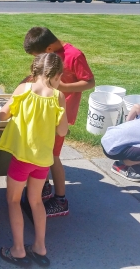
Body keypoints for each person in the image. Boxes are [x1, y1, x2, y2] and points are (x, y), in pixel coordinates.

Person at [0, 53, 68, 267]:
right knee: (36, 201)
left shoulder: (24, 89)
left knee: (13, 200)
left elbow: (3, 114)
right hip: (43, 160)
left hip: (22, 157)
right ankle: (40, 247)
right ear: (56, 75)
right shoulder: (58, 96)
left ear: (35, 70)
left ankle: (18, 250)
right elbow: (63, 129)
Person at [23, 27, 94, 217]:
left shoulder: (74, 55)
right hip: (44, 111)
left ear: (47, 49)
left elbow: (89, 82)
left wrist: (63, 87)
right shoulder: (49, 55)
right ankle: (44, 184)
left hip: (60, 115)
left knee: (52, 156)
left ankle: (60, 199)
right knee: (42, 151)